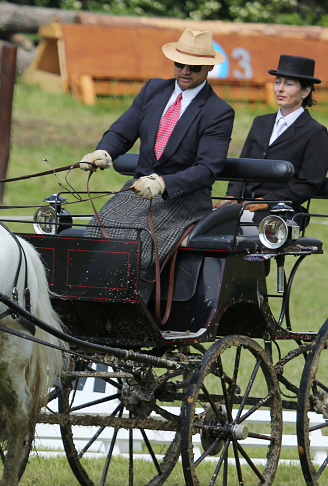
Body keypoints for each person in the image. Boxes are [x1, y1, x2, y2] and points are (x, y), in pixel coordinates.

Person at [78, 27, 235, 302]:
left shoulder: (218, 112)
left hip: (184, 198)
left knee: (137, 240)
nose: (185, 71)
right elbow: (123, 130)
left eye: (194, 67)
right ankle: (90, 305)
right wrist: (103, 152)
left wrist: (163, 183)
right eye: (179, 64)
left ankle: (131, 311)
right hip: (138, 189)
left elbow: (208, 169)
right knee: (95, 230)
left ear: (209, 67)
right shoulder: (153, 89)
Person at [225, 55, 328, 210]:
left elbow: (308, 184)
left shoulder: (315, 132)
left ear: (305, 91)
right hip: (243, 206)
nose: (280, 89)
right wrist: (232, 197)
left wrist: (268, 201)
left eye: (288, 84)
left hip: (280, 212)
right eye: (277, 82)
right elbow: (242, 165)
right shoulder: (260, 122)